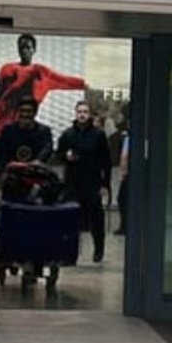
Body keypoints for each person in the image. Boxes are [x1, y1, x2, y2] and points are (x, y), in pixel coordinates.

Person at [0, 34, 87, 142]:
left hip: (22, 132)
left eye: (27, 47)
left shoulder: (41, 73)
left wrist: (93, 82)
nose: (24, 51)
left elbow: (68, 81)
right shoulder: (7, 70)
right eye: (21, 47)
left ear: (34, 50)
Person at [57, 100, 112, 263]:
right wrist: (66, 157)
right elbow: (58, 155)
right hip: (72, 183)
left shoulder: (98, 135)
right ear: (76, 114)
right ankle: (69, 252)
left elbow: (106, 160)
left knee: (96, 218)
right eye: (79, 112)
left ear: (90, 115)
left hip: (92, 182)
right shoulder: (67, 134)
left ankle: (99, 249)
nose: (82, 115)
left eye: (85, 112)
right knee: (70, 219)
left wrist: (105, 184)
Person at [0, 98, 55, 168]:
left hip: (34, 171)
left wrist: (36, 162)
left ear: (35, 113)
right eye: (22, 111)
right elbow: (3, 155)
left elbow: (46, 150)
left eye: (28, 111)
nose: (25, 114)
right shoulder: (8, 131)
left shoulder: (43, 132)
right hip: (12, 171)